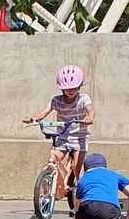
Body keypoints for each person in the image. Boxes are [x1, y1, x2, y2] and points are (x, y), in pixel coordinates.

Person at [22, 65, 95, 194]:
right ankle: (51, 190)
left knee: (79, 171)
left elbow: (90, 109)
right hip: (63, 137)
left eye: (73, 88)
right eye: (67, 89)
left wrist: (89, 117)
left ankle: (82, 201)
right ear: (61, 88)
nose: (70, 91)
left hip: (79, 139)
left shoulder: (84, 99)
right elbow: (44, 112)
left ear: (79, 86)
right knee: (51, 163)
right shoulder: (57, 100)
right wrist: (34, 118)